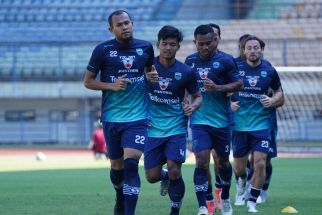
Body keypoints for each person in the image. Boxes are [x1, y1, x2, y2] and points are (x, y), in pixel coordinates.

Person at [83, 10, 158, 215]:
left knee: (131, 163)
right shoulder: (102, 50)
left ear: (132, 23)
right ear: (111, 29)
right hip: (112, 118)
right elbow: (88, 82)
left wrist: (152, 77)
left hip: (138, 117)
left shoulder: (145, 47)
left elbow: (150, 72)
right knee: (117, 168)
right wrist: (111, 86)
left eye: (127, 23)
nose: (124, 27)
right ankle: (119, 193)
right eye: (119, 25)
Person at [185, 24, 243, 215]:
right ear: (195, 43)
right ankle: (205, 202)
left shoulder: (226, 60)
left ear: (216, 40)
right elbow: (185, 86)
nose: (204, 47)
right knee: (201, 160)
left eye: (208, 43)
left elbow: (239, 84)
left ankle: (224, 197)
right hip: (199, 120)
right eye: (200, 44)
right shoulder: (190, 61)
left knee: (223, 163)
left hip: (222, 122)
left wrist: (218, 88)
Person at [144, 25, 202, 215]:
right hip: (151, 128)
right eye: (164, 44)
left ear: (178, 47)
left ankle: (175, 210)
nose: (168, 48)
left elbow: (198, 96)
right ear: (157, 44)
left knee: (175, 169)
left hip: (176, 127)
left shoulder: (186, 71)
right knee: (152, 177)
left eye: (172, 45)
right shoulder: (146, 66)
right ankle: (164, 177)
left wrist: (191, 107)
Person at [231, 35, 284, 213]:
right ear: (243, 50)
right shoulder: (235, 69)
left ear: (261, 50)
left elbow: (280, 94)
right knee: (239, 168)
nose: (253, 51)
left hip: (262, 125)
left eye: (256, 48)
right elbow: (223, 91)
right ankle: (241, 183)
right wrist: (229, 103)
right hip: (239, 126)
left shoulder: (269, 70)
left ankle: (252, 201)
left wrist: (273, 100)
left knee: (260, 162)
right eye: (249, 48)